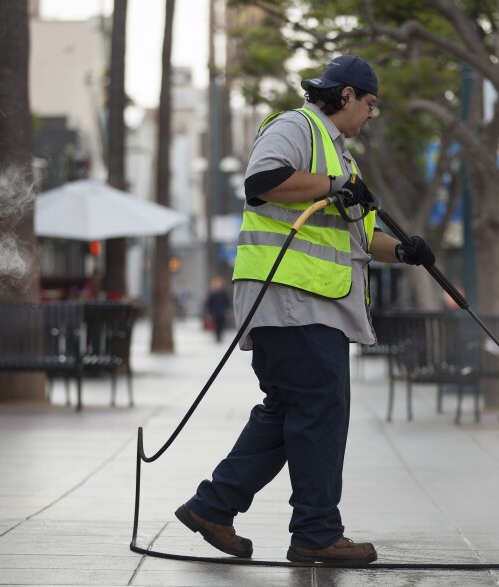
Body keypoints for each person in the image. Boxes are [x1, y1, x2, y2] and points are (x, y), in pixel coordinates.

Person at [175, 55, 435, 567]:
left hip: (311, 303)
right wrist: (333, 185)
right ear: (346, 95)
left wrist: (403, 252)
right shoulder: (296, 126)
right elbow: (262, 180)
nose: (371, 116)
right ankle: (316, 533)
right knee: (320, 410)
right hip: (293, 299)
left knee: (289, 411)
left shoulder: (343, 159)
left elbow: (360, 238)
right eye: (370, 105)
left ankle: (213, 506)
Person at [204, 276, 232, 343]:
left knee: (222, 325)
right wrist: (209, 312)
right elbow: (209, 304)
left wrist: (228, 310)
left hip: (222, 312)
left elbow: (227, 302)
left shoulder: (224, 293)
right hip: (215, 312)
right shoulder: (213, 294)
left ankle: (220, 337)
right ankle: (217, 337)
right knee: (216, 324)